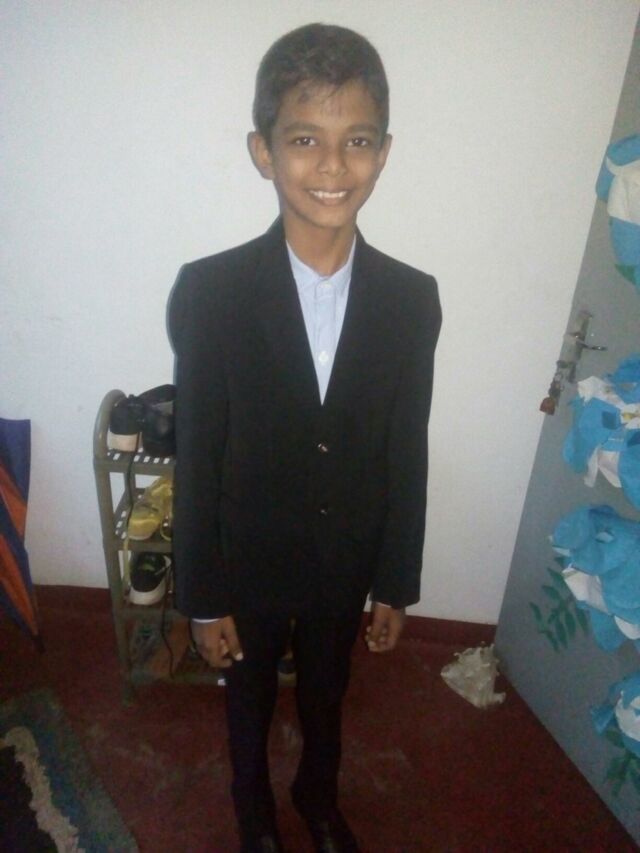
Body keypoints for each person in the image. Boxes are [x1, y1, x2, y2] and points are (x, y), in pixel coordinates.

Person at [168, 23, 441, 853]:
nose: (332, 166)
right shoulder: (210, 292)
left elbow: (407, 447)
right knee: (247, 693)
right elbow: (199, 451)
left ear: (383, 152)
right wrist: (203, 594)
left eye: (356, 140)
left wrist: (395, 579)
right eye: (304, 139)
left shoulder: (412, 299)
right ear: (263, 151)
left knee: (328, 688)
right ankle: (253, 808)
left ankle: (316, 794)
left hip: (344, 558)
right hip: (247, 555)